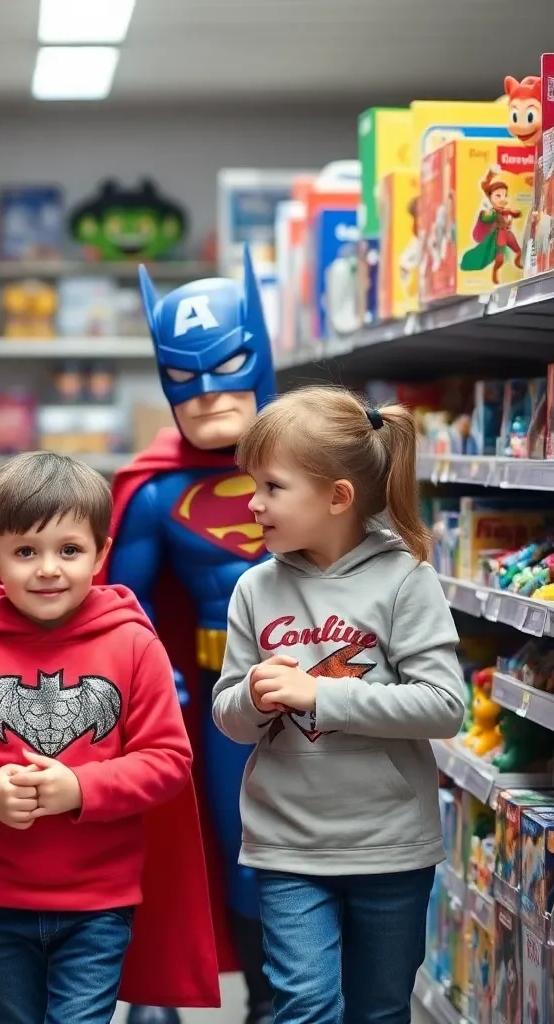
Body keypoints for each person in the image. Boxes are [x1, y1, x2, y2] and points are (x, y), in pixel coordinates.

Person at [0, 451, 221, 1024]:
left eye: (69, 550)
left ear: (101, 554)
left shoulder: (133, 644)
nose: (48, 568)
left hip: (99, 901)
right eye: (26, 551)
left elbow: (169, 759)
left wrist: (81, 786)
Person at [211, 386, 466, 1024]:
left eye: (271, 486)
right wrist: (253, 698)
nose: (253, 502)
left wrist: (321, 694)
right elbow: (230, 719)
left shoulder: (406, 578)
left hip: (390, 845)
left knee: (379, 1009)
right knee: (305, 1005)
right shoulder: (255, 588)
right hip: (287, 846)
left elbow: (442, 706)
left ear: (337, 497)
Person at [99, 246, 276, 1024]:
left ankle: (287, 996)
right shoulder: (156, 487)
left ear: (261, 353)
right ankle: (162, 981)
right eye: (183, 377)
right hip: (216, 693)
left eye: (227, 365)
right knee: (216, 841)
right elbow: (123, 606)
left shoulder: (327, 461)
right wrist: (149, 683)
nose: (206, 394)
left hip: (333, 685)